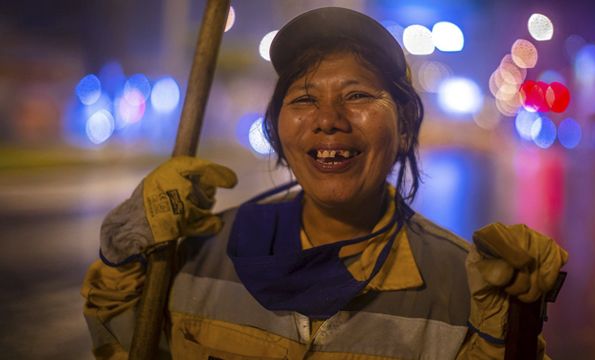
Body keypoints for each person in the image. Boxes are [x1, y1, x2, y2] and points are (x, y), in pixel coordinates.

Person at [82, 7, 567, 360]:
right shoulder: (198, 256)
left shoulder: (462, 286)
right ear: (277, 129)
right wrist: (125, 258)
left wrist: (513, 331)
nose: (329, 120)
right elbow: (122, 343)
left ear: (402, 130)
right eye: (305, 99)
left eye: (357, 95)